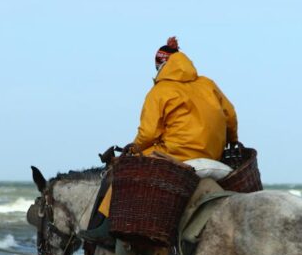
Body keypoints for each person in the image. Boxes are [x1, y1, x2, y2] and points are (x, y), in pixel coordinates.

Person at [82, 36, 239, 242]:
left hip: (176, 154)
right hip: (214, 155)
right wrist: (232, 140)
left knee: (122, 171)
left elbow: (148, 134)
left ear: (162, 65)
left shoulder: (160, 91)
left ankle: (104, 227)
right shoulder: (208, 84)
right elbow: (230, 116)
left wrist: (133, 148)